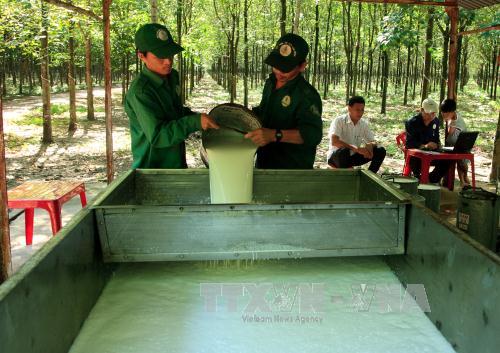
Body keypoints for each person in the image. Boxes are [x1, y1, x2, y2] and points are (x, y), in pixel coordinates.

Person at [124, 23, 218, 169]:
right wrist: (194, 122)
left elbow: (175, 112)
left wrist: (199, 118)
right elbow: (158, 136)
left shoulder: (171, 77)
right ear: (142, 56)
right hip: (153, 168)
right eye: (160, 57)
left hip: (176, 161)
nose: (168, 61)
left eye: (170, 54)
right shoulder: (141, 92)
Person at [244, 33, 323, 169]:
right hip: (265, 162)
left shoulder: (307, 96)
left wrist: (275, 135)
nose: (279, 72)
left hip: (291, 169)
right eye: (276, 65)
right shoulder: (270, 82)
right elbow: (265, 112)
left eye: (285, 69)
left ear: (302, 66)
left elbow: (313, 135)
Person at [327, 96, 386, 173]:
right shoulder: (339, 121)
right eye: (357, 110)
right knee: (344, 151)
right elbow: (334, 141)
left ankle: (371, 175)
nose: (360, 113)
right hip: (337, 157)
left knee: (380, 150)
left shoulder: (363, 124)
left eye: (362, 110)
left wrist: (371, 145)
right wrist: (357, 149)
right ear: (349, 109)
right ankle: (347, 176)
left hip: (353, 157)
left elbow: (373, 141)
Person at [405, 97, 450, 183]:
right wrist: (423, 146)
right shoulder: (411, 122)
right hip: (416, 154)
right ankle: (418, 178)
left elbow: (436, 138)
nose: (431, 116)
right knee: (415, 158)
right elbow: (409, 143)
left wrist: (437, 145)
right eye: (428, 113)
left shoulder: (435, 121)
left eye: (433, 113)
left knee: (447, 160)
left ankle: (430, 179)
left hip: (432, 153)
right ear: (422, 110)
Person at [441, 98, 470, 186]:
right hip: (455, 146)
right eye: (442, 113)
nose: (443, 115)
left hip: (458, 146)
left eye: (445, 114)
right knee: (460, 160)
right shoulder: (456, 115)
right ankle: (463, 180)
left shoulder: (453, 122)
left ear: (451, 112)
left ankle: (463, 178)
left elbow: (450, 137)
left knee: (460, 159)